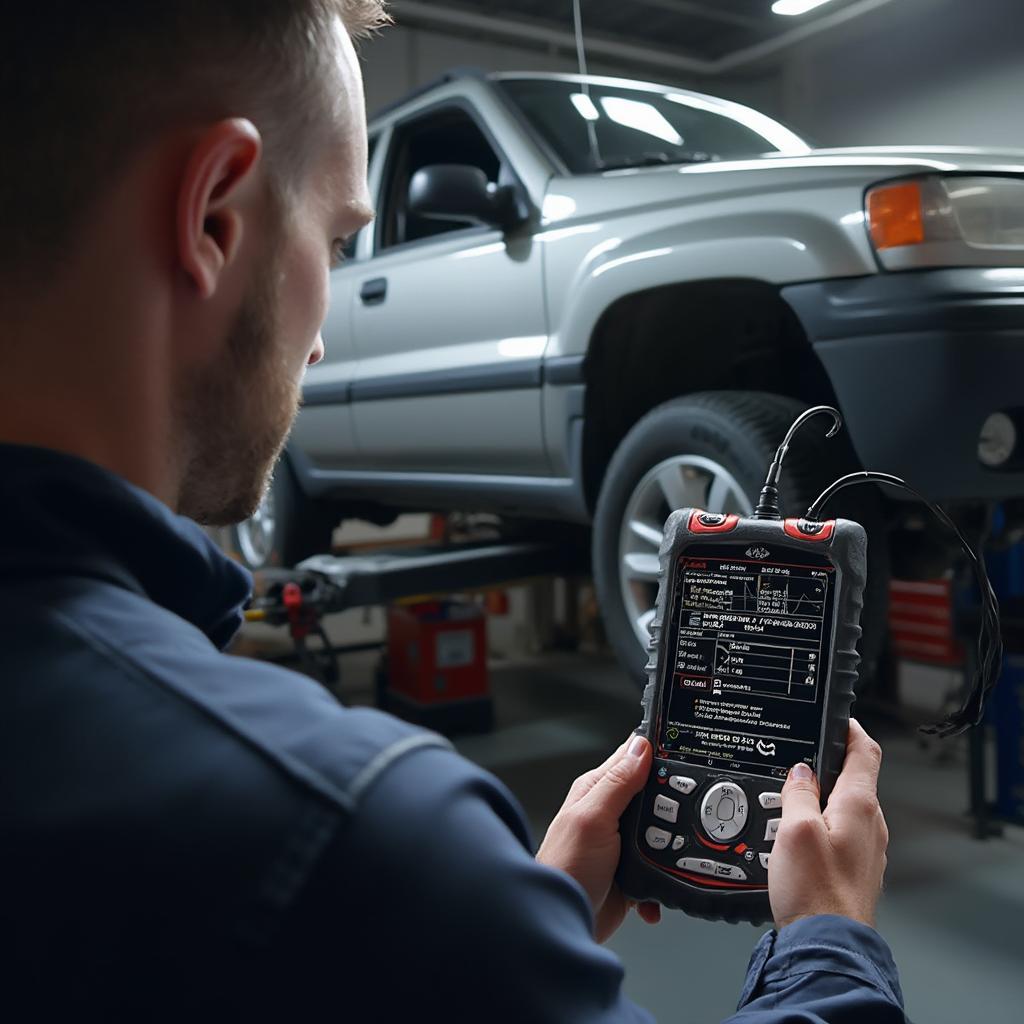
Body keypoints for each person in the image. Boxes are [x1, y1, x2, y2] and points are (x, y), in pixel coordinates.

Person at [0, 2, 904, 1019]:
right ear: (214, 214)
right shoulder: (356, 827)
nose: (323, 341)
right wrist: (829, 940)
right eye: (340, 240)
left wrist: (509, 926)